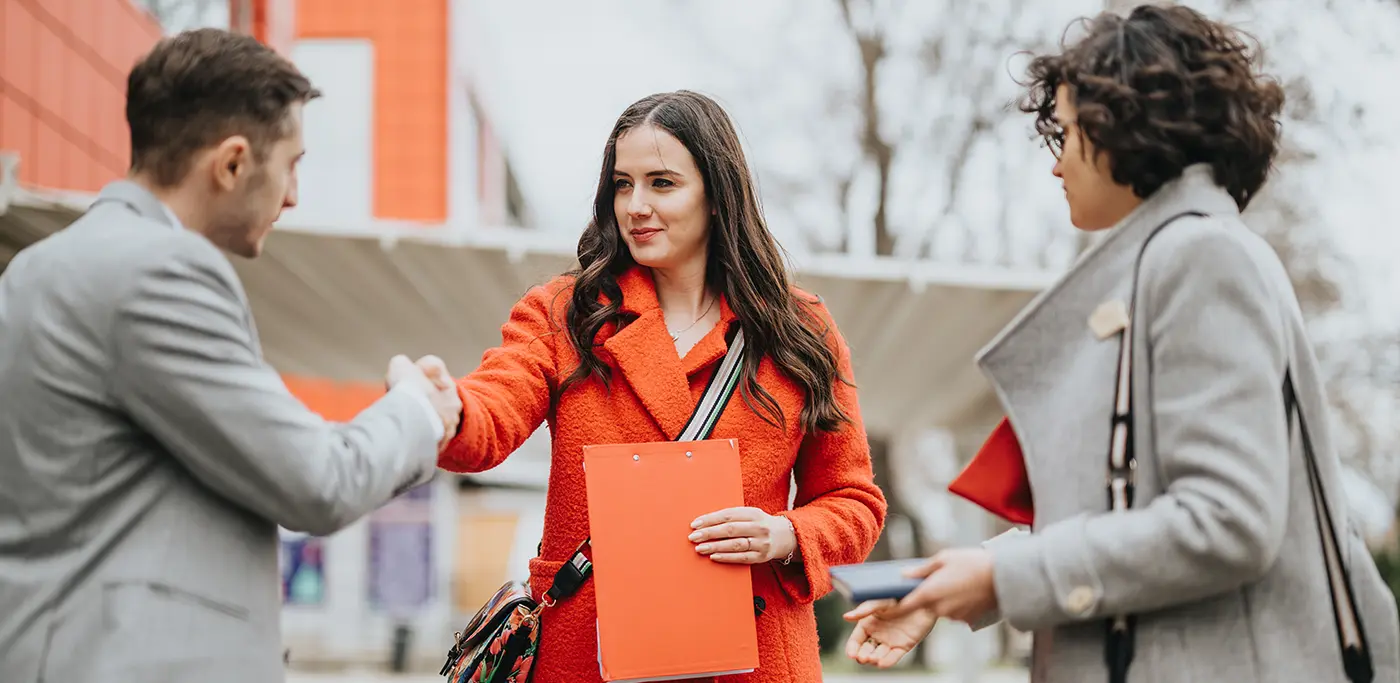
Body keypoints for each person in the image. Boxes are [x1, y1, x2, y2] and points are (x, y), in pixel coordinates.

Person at [844, 5, 1400, 682]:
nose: (1057, 166)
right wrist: (964, 578)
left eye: (1071, 132)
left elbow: (1227, 520)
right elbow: (1136, 511)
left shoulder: (1198, 258)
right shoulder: (1184, 256)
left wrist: (1003, 572)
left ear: (1127, 127)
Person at [0, 29, 460, 682]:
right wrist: (416, 407)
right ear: (233, 163)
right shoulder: (162, 270)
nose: (295, 194)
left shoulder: (36, 267)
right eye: (292, 163)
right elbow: (317, 481)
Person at [423, 90, 887, 682]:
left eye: (661, 183)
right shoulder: (567, 313)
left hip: (753, 658)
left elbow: (855, 501)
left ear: (718, 196)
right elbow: (495, 406)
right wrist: (447, 410)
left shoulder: (798, 329)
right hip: (589, 657)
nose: (635, 205)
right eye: (622, 184)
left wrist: (784, 534)